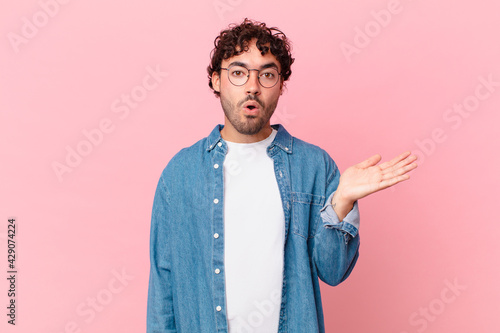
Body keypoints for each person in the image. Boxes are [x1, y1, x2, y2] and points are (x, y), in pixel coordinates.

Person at [146, 18, 417, 333]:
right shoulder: (180, 173)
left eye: (267, 74)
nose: (252, 86)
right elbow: (163, 287)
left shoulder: (314, 167)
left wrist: (342, 200)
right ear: (216, 81)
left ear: (281, 84)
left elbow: (333, 271)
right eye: (237, 72)